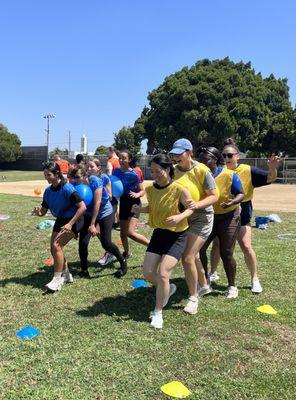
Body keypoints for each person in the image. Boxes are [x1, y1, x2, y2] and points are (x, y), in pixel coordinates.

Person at [209, 138, 281, 293]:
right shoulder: (217, 170)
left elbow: (270, 178)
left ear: (237, 156)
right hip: (221, 213)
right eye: (224, 155)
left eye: (229, 155)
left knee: (246, 246)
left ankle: (255, 279)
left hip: (242, 211)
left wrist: (273, 168)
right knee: (217, 245)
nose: (226, 158)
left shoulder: (248, 170)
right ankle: (212, 273)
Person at [132, 154, 194, 329]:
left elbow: (191, 208)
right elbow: (153, 208)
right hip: (159, 234)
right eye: (151, 171)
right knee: (148, 272)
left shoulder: (179, 189)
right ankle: (167, 287)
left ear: (167, 170)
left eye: (157, 171)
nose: (154, 174)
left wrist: (179, 216)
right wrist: (140, 209)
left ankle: (158, 312)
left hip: (177, 235)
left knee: (164, 272)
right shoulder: (151, 189)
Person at [169, 138, 218, 315]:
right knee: (193, 254)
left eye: (179, 153)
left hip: (202, 217)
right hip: (184, 216)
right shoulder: (173, 171)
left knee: (187, 256)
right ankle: (204, 285)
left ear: (189, 152)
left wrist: (197, 205)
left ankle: (193, 298)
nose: (176, 157)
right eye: (174, 154)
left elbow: (214, 196)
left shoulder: (202, 170)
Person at [197, 146, 244, 298]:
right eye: (201, 160)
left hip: (228, 217)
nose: (203, 163)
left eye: (207, 160)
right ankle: (204, 282)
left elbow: (241, 193)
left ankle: (232, 286)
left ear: (216, 160)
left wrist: (232, 202)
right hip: (207, 217)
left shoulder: (229, 175)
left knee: (226, 252)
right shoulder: (199, 175)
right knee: (200, 250)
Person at [31, 161, 86, 292]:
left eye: (48, 175)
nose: (46, 178)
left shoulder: (67, 189)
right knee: (54, 248)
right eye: (45, 175)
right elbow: (44, 211)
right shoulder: (48, 191)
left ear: (57, 173)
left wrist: (70, 224)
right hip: (61, 219)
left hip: (75, 220)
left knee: (56, 246)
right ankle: (66, 274)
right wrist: (38, 213)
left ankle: (57, 279)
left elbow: (82, 207)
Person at [68, 165, 126, 279]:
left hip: (104, 212)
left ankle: (122, 262)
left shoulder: (95, 181)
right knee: (83, 243)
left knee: (106, 243)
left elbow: (97, 203)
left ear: (85, 176)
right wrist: (75, 227)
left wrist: (92, 224)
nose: (75, 180)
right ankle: (84, 271)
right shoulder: (74, 185)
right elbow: (75, 207)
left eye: (78, 177)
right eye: (73, 177)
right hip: (89, 214)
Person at [113, 150, 150, 268]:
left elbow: (142, 190)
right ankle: (127, 252)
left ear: (129, 160)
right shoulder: (116, 172)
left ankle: (152, 246)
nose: (121, 160)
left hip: (134, 204)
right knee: (123, 234)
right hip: (123, 203)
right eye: (120, 158)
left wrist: (138, 194)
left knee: (130, 233)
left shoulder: (133, 174)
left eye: (124, 158)